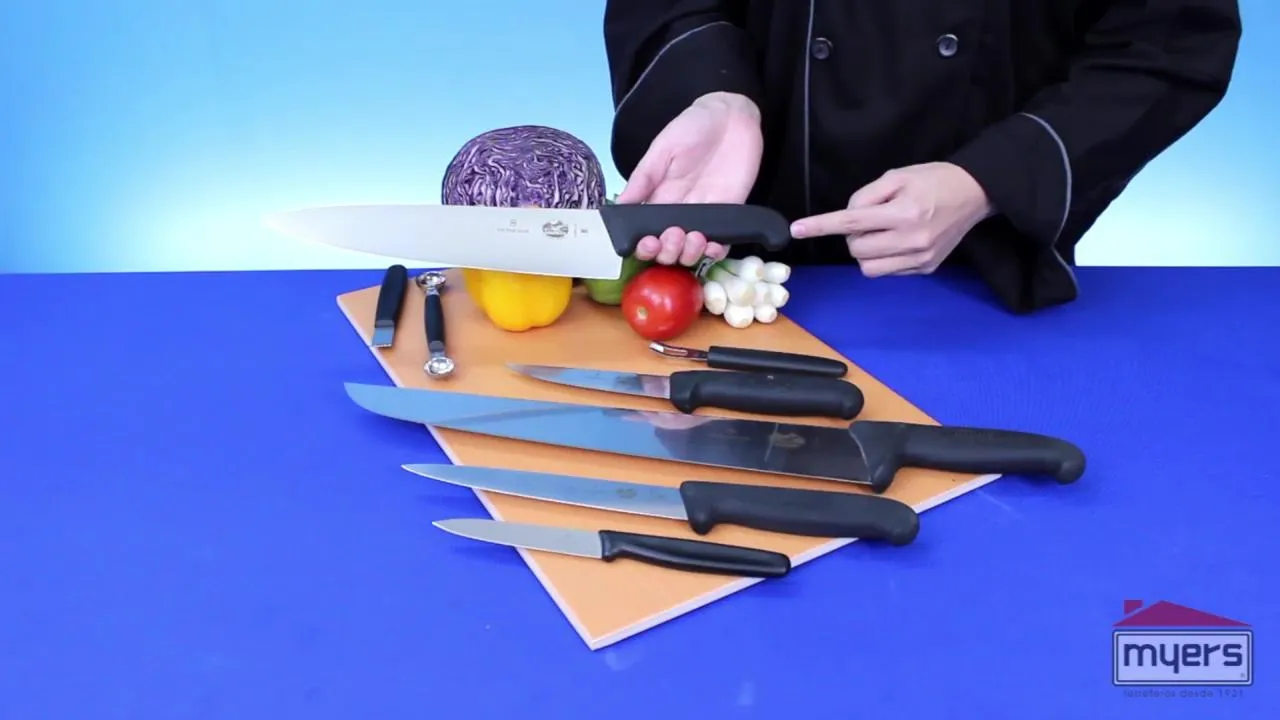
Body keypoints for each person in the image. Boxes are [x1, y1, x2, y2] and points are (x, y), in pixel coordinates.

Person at [602, 1, 1242, 313]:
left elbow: (1172, 40)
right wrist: (712, 92)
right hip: (747, 280)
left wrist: (991, 178)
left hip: (975, 287)